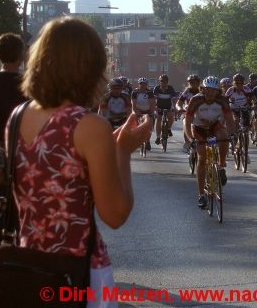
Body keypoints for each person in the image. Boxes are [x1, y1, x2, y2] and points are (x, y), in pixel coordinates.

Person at [10, 17, 150, 308]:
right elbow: (115, 215)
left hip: (25, 265)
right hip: (76, 270)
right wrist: (122, 151)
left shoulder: (17, 116)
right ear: (90, 68)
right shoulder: (89, 125)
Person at [185, 76, 235, 208]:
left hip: (215, 127)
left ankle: (221, 166)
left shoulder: (223, 100)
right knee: (202, 159)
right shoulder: (196, 100)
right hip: (199, 129)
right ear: (203, 89)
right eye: (207, 90)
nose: (210, 93)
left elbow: (230, 119)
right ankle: (201, 195)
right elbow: (188, 121)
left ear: (218, 91)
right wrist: (191, 139)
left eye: (213, 90)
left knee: (224, 136)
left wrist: (233, 134)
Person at [176, 74, 201, 153]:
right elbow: (179, 103)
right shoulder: (187, 92)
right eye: (190, 82)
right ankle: (187, 142)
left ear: (198, 83)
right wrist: (180, 108)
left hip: (200, 113)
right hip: (188, 112)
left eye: (194, 82)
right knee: (185, 122)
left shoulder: (202, 91)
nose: (192, 84)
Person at [131, 77, 155, 150]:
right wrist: (136, 112)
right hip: (137, 109)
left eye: (144, 84)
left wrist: (151, 112)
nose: (143, 86)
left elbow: (152, 104)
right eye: (141, 84)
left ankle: (148, 141)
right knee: (133, 119)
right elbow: (133, 104)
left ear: (146, 85)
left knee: (150, 123)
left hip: (147, 110)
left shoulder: (150, 92)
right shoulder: (134, 92)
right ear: (139, 84)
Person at [153, 74, 178, 145]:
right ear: (159, 82)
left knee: (171, 116)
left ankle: (168, 129)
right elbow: (154, 100)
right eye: (161, 81)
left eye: (165, 81)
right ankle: (158, 137)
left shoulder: (171, 89)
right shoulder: (156, 88)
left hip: (168, 106)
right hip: (159, 107)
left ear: (167, 82)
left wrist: (174, 108)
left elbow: (174, 100)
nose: (163, 83)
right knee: (158, 119)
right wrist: (155, 107)